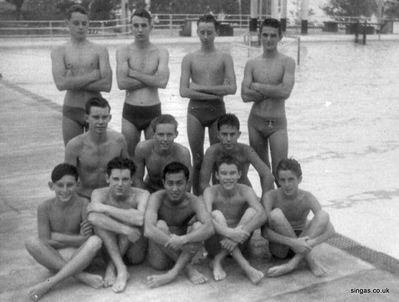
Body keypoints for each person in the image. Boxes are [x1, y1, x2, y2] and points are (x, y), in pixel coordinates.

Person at [25, 164, 103, 301]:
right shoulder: (44, 207)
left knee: (96, 241)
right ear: (51, 186)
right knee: (31, 242)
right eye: (60, 185)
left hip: (79, 257)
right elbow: (44, 241)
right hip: (53, 257)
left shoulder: (84, 203)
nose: (65, 190)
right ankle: (81, 276)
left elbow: (87, 239)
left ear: (77, 185)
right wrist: (77, 238)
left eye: (70, 185)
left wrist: (57, 236)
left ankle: (49, 283)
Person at [180, 14, 237, 195]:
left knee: (217, 158)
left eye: (209, 32)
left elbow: (233, 88)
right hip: (195, 111)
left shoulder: (224, 57)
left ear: (216, 33)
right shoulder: (189, 58)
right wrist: (215, 92)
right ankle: (197, 198)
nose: (206, 37)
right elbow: (183, 91)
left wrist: (199, 88)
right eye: (202, 32)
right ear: (197, 32)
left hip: (217, 112)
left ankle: (217, 199)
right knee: (197, 159)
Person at [241, 18, 295, 183]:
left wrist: (257, 86)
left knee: (281, 172)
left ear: (280, 37)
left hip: (277, 123)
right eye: (265, 35)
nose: (269, 39)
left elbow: (285, 92)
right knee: (263, 174)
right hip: (255, 122)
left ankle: (281, 208)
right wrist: (273, 90)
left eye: (273, 35)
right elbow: (244, 95)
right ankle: (266, 207)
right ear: (260, 35)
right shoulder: (252, 63)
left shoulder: (287, 62)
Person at [261, 158, 335, 277]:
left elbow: (331, 230)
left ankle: (292, 263)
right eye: (283, 180)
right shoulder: (270, 196)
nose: (287, 184)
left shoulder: (307, 197)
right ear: (278, 181)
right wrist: (294, 242)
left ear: (299, 179)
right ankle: (310, 261)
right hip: (281, 248)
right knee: (276, 214)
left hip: (305, 243)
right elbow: (264, 232)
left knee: (323, 215)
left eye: (291, 179)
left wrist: (309, 243)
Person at [144, 162, 213, 288]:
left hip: (183, 248)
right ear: (163, 183)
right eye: (170, 183)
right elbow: (148, 230)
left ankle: (172, 274)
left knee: (198, 227)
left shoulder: (193, 201)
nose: (175, 189)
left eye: (179, 183)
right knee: (160, 225)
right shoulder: (156, 198)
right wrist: (178, 244)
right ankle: (188, 269)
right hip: (162, 257)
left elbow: (209, 227)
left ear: (187, 183)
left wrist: (183, 239)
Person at [51, 4, 112, 145]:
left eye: (84, 23)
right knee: (72, 154)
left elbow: (107, 85)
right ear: (68, 24)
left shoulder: (100, 50)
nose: (81, 27)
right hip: (72, 110)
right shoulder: (59, 51)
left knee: (98, 155)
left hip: (96, 111)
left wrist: (72, 81)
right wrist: (91, 76)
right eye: (76, 23)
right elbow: (61, 84)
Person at [87, 157, 149, 293]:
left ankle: (111, 267)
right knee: (101, 221)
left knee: (130, 219)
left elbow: (139, 219)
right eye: (115, 179)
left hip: (134, 250)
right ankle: (121, 269)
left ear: (132, 180)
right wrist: (125, 229)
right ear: (107, 178)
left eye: (125, 179)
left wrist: (106, 208)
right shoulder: (98, 193)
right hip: (110, 247)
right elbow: (93, 217)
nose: (120, 184)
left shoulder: (142, 194)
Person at [203, 156, 266, 284]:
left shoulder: (246, 191)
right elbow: (205, 219)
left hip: (240, 241)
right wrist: (229, 233)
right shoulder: (210, 192)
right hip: (215, 244)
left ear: (239, 174)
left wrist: (237, 234)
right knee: (216, 214)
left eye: (232, 173)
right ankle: (245, 266)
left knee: (252, 211)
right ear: (217, 175)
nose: (228, 177)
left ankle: (217, 261)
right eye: (224, 173)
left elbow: (263, 215)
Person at [116, 8, 170, 158]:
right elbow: (121, 83)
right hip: (130, 111)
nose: (139, 30)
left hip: (152, 110)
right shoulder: (123, 51)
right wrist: (151, 79)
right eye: (136, 25)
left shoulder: (161, 52)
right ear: (131, 27)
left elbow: (163, 82)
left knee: (154, 157)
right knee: (129, 157)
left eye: (144, 25)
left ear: (151, 27)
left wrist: (134, 73)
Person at [65, 97, 128, 200]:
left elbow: (128, 171)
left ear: (110, 118)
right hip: (84, 197)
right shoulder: (74, 146)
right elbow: (67, 179)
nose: (101, 122)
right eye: (96, 117)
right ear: (86, 118)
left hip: (111, 197)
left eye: (104, 117)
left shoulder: (119, 141)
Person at [199, 113, 274, 195]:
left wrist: (264, 201)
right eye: (224, 134)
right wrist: (212, 199)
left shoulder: (246, 151)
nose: (228, 139)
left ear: (238, 134)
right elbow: (204, 183)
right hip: (220, 196)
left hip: (244, 195)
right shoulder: (212, 152)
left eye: (232, 134)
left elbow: (268, 176)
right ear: (218, 135)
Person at [134, 114, 192, 193]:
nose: (165, 139)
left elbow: (188, 183)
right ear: (154, 134)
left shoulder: (182, 153)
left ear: (176, 134)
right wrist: (143, 197)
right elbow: (137, 178)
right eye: (161, 135)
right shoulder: (143, 149)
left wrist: (177, 201)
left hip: (174, 192)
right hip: (150, 190)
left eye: (169, 135)